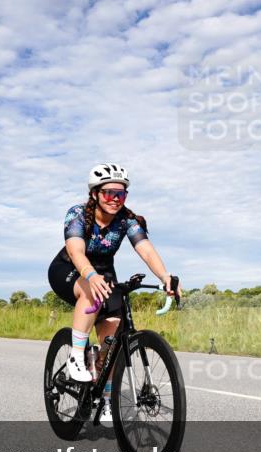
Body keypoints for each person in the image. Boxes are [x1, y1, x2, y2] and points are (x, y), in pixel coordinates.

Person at [47, 163, 181, 425]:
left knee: (112, 336)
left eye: (121, 194)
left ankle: (106, 399)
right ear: (95, 193)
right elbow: (76, 251)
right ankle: (76, 356)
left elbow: (146, 250)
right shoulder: (77, 213)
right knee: (92, 293)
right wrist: (90, 274)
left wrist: (165, 276)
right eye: (109, 193)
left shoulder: (126, 220)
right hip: (69, 269)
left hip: (105, 274)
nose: (115, 199)